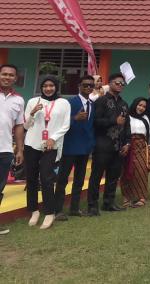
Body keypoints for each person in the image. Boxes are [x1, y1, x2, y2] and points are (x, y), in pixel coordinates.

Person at [23, 75, 71, 229]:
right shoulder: (32, 101)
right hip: (32, 144)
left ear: (56, 87)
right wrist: (32, 113)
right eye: (45, 86)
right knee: (30, 178)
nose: (48, 88)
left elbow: (66, 125)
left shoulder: (63, 103)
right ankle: (34, 210)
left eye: (51, 85)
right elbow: (26, 126)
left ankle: (49, 212)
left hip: (50, 146)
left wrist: (53, 138)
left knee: (46, 178)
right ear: (41, 87)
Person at [88, 72, 130, 215]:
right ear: (110, 83)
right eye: (117, 83)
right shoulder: (101, 101)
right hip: (102, 145)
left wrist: (127, 143)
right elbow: (95, 122)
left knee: (113, 177)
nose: (120, 86)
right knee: (96, 176)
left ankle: (109, 203)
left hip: (118, 146)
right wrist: (113, 121)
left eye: (122, 84)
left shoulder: (124, 104)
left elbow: (127, 126)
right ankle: (92, 205)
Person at [54, 75, 95, 220]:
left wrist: (91, 144)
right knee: (62, 179)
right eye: (85, 85)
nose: (88, 88)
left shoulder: (92, 104)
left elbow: (91, 127)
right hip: (69, 147)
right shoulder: (69, 103)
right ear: (79, 86)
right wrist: (74, 119)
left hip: (84, 149)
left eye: (91, 85)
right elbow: (59, 123)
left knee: (79, 179)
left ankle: (75, 208)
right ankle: (57, 210)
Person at [0, 64, 25, 235]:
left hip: (5, 149)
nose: (7, 77)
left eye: (11, 75)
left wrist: (20, 150)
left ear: (15, 78)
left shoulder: (19, 100)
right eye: (4, 74)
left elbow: (18, 126)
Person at [120, 98, 150, 208]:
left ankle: (141, 197)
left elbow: (148, 134)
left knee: (141, 171)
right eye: (140, 105)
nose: (141, 108)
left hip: (142, 147)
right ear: (135, 104)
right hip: (129, 146)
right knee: (127, 171)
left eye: (144, 106)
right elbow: (123, 132)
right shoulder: (127, 117)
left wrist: (149, 146)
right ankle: (126, 197)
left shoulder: (146, 118)